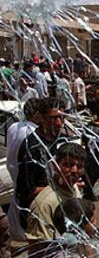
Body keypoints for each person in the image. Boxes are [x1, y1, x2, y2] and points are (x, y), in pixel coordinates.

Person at [15, 97, 64, 229]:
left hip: (54, 210)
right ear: (41, 117)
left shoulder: (54, 141)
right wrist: (62, 189)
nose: (59, 123)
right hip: (37, 215)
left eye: (61, 117)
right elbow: (26, 191)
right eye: (53, 118)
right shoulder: (32, 147)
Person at [25, 142, 86, 242]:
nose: (75, 170)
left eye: (79, 166)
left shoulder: (73, 187)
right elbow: (38, 248)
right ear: (55, 166)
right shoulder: (45, 204)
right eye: (68, 165)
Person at [6, 98, 41, 240]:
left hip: (13, 170)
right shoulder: (33, 132)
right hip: (24, 173)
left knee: (17, 202)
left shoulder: (13, 126)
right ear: (36, 114)